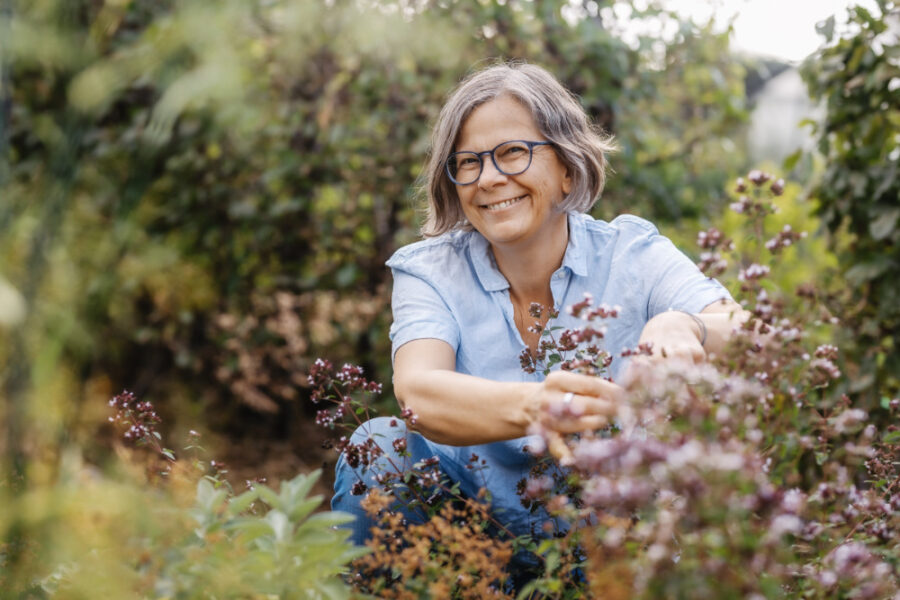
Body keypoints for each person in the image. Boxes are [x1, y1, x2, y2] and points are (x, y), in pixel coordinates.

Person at [332, 61, 745, 557]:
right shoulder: (431, 271)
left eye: (513, 152)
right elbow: (418, 392)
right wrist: (537, 407)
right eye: (468, 162)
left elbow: (752, 333)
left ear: (567, 168)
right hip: (469, 538)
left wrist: (687, 325)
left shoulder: (632, 254)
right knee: (378, 447)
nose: (489, 178)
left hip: (608, 535)